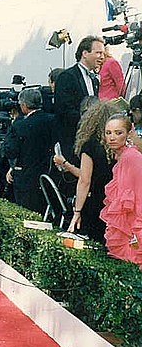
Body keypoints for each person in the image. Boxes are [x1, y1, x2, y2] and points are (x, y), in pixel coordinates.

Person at [53, 100, 118, 243]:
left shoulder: (90, 146)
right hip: (116, 202)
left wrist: (77, 211)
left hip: (95, 202)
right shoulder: (118, 147)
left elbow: (84, 180)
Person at [100, 113, 142, 268]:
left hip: (134, 228)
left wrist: (136, 233)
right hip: (130, 227)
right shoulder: (124, 157)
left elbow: (138, 197)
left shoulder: (131, 157)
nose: (112, 137)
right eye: (108, 133)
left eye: (118, 133)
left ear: (128, 133)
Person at [4, 89, 55, 214]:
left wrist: (12, 167)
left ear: (24, 105)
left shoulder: (19, 126)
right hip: (49, 174)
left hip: (26, 177)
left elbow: (11, 151)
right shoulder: (52, 120)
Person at [54, 36, 105, 159]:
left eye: (103, 53)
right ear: (85, 53)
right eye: (98, 53)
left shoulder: (94, 79)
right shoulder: (67, 77)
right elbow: (64, 111)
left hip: (90, 140)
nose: (102, 57)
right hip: (72, 141)